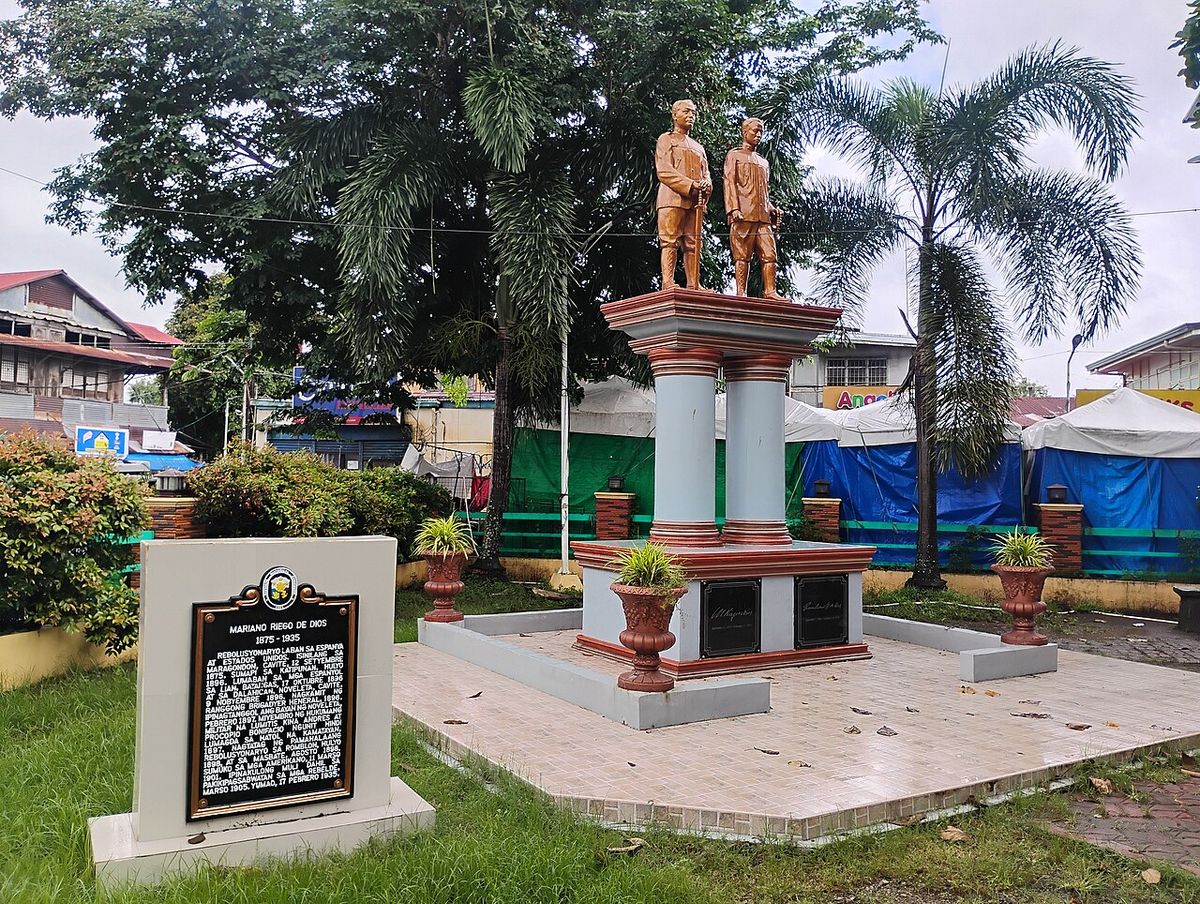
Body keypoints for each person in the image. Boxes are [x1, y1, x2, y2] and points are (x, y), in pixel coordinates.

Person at [723, 117, 788, 301]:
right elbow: (729, 183)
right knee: (742, 256)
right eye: (755, 131)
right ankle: (741, 292)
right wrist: (733, 209)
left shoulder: (763, 162)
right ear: (745, 132)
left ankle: (770, 291)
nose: (758, 135)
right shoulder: (734, 156)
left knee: (770, 254)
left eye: (761, 132)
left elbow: (764, 192)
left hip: (763, 217)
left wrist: (772, 208)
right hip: (743, 215)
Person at [655, 99, 711, 290]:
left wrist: (706, 185)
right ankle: (668, 282)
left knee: (693, 243)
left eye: (693, 113)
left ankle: (694, 283)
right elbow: (664, 170)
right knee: (670, 240)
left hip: (695, 201)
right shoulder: (666, 139)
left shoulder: (698, 147)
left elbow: (706, 173)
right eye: (686, 112)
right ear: (674, 115)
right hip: (672, 198)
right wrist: (690, 185)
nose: (690, 116)